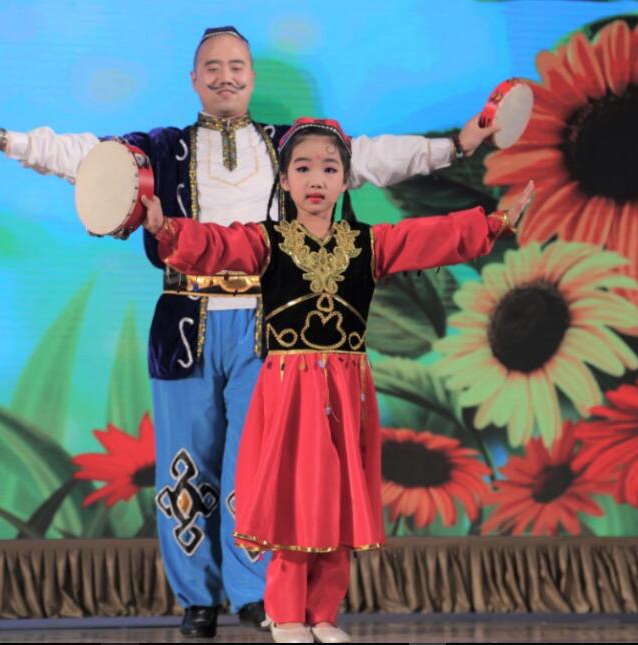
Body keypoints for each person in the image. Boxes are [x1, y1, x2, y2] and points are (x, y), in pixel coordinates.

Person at [0, 26, 502, 638]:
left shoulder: (293, 147)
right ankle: (196, 597)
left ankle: (254, 594)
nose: (225, 76)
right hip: (186, 323)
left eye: (236, 65)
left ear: (251, 77)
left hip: (268, 326)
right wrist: (6, 140)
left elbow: (371, 157)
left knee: (258, 466)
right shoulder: (162, 149)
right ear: (194, 79)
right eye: (212, 66)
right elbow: (87, 158)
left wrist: (456, 145)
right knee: (185, 467)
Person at [143, 117, 533, 643]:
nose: (316, 179)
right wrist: (167, 228)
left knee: (340, 497)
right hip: (289, 390)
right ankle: (286, 614)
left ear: (346, 180)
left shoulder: (368, 244)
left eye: (329, 169)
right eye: (303, 168)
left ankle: (323, 615)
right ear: (284, 181)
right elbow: (217, 245)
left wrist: (496, 222)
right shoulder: (268, 242)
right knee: (292, 497)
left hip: (346, 392)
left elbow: (431, 237)